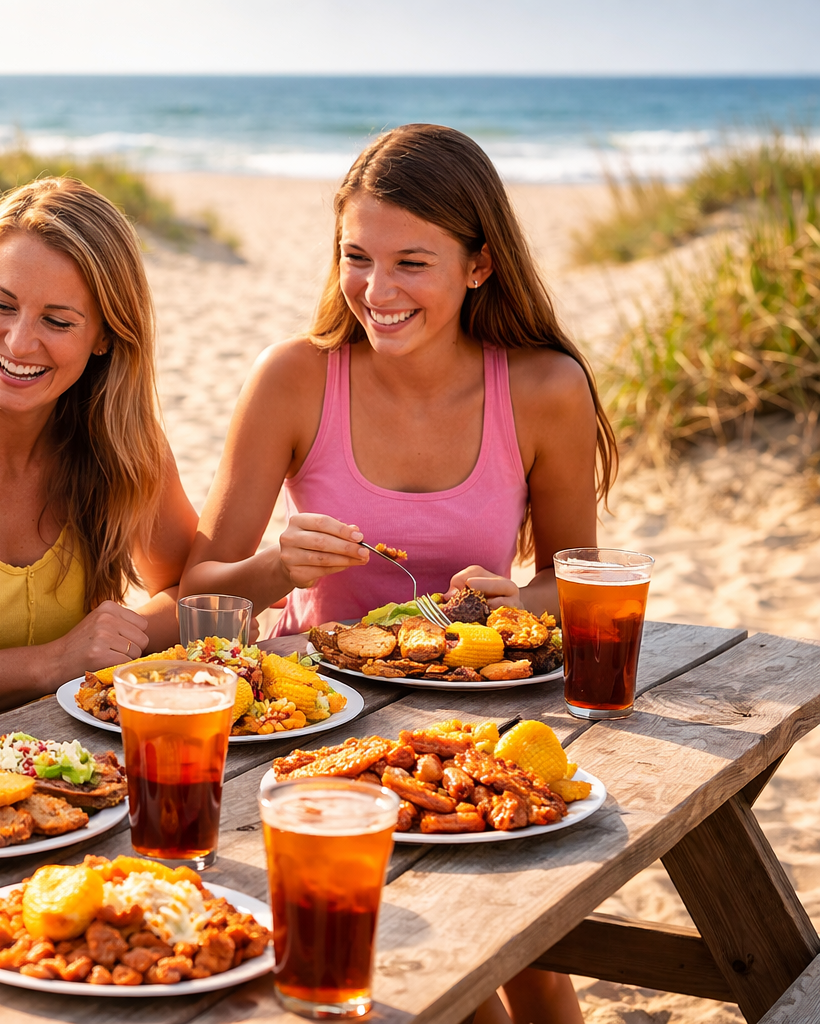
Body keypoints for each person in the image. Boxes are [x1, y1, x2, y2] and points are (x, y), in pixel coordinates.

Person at [181, 124, 607, 1023]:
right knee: (419, 957)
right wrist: (275, 566)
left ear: (479, 264)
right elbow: (197, 589)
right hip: (320, 726)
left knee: (520, 938)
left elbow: (578, 581)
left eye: (412, 262)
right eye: (356, 257)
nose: (378, 292)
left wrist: (515, 599)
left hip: (483, 720)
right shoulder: (295, 378)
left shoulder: (542, 388)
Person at [0, 177, 198, 718]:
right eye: (1, 305)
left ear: (105, 336)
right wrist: (56, 661)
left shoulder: (121, 439)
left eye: (57, 320)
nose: (20, 342)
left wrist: (122, 636)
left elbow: (188, 590)